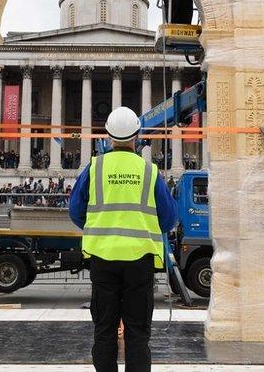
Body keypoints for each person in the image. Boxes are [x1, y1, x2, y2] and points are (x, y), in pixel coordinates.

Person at [69, 106, 177, 372]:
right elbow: (169, 217)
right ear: (137, 136)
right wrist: (146, 227)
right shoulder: (149, 171)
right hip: (139, 261)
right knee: (138, 333)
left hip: (103, 259)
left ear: (107, 137)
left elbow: (75, 211)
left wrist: (98, 226)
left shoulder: (94, 168)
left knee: (104, 330)